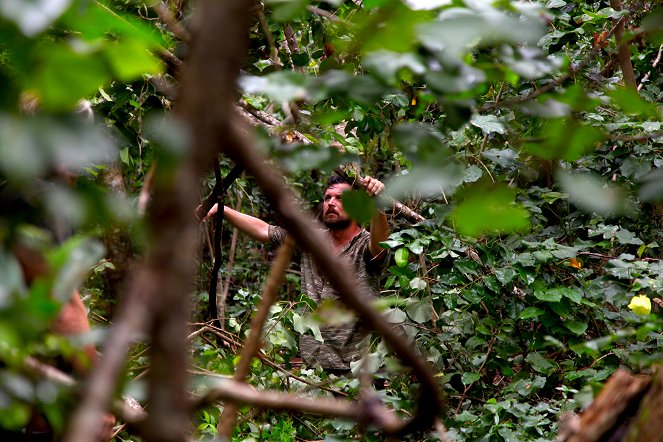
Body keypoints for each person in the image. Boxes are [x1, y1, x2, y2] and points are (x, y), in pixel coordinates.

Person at [202, 174, 389, 373]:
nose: (331, 203)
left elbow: (379, 245)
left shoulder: (364, 245)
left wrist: (377, 204)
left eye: (340, 198)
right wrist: (219, 209)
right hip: (313, 367)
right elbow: (265, 230)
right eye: (327, 198)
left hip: (357, 369)